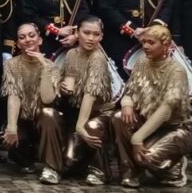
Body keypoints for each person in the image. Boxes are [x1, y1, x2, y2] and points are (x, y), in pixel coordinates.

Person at [111, 23, 191, 188]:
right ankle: (130, 172)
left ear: (166, 45)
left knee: (146, 157)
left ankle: (174, 169)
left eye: (151, 43)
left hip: (174, 128)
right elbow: (131, 91)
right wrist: (126, 103)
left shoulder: (177, 72)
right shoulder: (142, 63)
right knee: (119, 117)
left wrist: (137, 137)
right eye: (144, 42)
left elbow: (165, 111)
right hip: (148, 121)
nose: (145, 46)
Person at [1, 23, 64, 184]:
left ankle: (51, 168)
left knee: (48, 114)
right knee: (9, 133)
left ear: (40, 40)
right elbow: (13, 95)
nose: (27, 40)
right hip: (24, 119)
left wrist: (44, 67)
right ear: (18, 43)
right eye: (22, 37)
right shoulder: (11, 64)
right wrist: (12, 127)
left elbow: (47, 99)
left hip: (45, 121)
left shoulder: (52, 66)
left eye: (31, 35)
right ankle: (29, 161)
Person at [58, 16, 115, 186]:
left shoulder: (98, 58)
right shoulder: (70, 54)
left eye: (96, 34)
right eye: (86, 33)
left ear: (101, 37)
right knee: (68, 161)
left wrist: (80, 127)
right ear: (77, 33)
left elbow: (90, 94)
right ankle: (81, 162)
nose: (91, 38)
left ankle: (100, 170)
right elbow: (64, 79)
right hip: (76, 111)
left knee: (92, 127)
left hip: (98, 113)